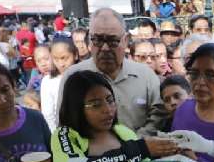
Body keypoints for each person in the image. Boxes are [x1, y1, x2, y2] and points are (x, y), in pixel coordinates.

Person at [51, 70, 178, 162]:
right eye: (96, 105)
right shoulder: (65, 135)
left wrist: (169, 152)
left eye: (110, 100)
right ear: (76, 108)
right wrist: (140, 149)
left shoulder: (122, 132)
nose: (107, 109)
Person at [57, 8, 165, 136]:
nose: (105, 48)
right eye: (98, 40)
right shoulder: (74, 77)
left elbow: (158, 115)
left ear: (125, 40)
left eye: (112, 41)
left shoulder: (146, 76)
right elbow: (65, 123)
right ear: (89, 41)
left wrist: (136, 144)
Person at [40, 39, 78, 132]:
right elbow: (48, 114)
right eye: (55, 59)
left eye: (64, 58)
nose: (61, 64)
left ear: (75, 55)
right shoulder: (48, 81)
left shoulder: (85, 74)